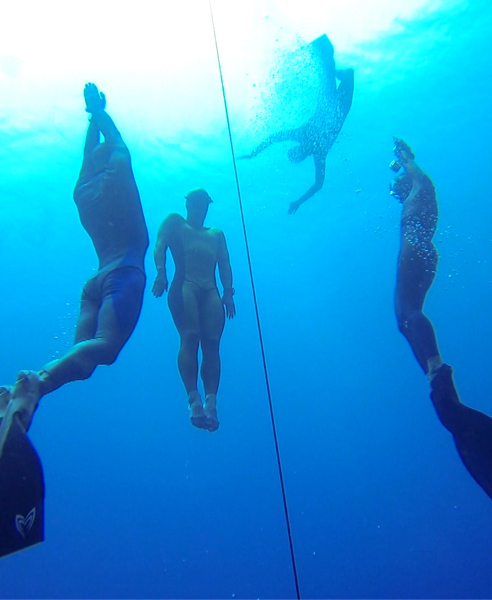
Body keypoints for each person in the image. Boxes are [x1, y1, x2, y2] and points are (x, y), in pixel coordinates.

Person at [0, 83, 149, 444]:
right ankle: (36, 381)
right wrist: (98, 111)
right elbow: (117, 141)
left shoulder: (83, 191)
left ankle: (22, 397)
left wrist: (91, 121)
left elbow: (89, 154)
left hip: (97, 281)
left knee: (83, 363)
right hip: (123, 275)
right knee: (105, 348)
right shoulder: (119, 172)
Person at [392, 138, 492, 500]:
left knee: (405, 314)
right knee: (406, 317)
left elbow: (417, 177)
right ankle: (435, 373)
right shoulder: (419, 200)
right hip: (424, 248)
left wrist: (407, 159)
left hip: (417, 243)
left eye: (398, 184)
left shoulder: (419, 188)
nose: (394, 189)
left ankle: (436, 369)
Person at [240, 34, 354, 214]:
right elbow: (318, 184)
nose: (300, 150)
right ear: (302, 155)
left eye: (296, 151)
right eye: (298, 153)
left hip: (328, 102)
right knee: (347, 74)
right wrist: (298, 202)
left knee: (327, 65)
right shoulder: (319, 152)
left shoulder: (303, 136)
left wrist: (254, 153)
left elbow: (275, 138)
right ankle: (330, 62)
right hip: (340, 107)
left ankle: (321, 46)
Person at [152, 189, 235, 432]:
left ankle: (211, 402)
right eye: (198, 203)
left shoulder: (216, 234)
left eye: (205, 204)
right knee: (190, 337)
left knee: (212, 343)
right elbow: (160, 245)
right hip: (184, 284)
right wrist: (161, 273)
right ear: (188, 204)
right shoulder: (175, 222)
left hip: (210, 290)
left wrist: (228, 292)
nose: (202, 208)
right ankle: (193, 399)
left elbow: (225, 263)